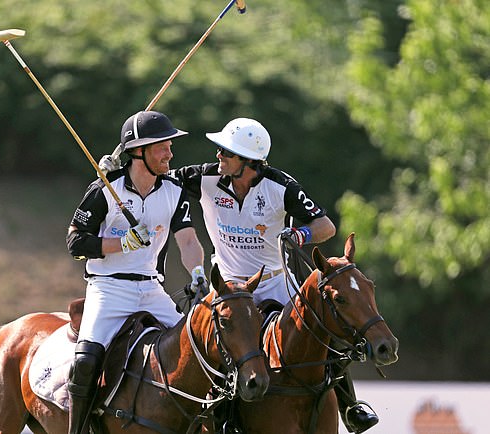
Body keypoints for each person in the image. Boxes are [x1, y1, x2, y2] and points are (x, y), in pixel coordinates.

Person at [99, 117, 377, 433]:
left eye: (226, 153)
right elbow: (153, 174)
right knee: (208, 347)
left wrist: (298, 235)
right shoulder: (205, 176)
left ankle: (350, 406)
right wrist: (117, 172)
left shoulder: (280, 186)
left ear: (248, 162)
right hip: (227, 286)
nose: (218, 157)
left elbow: (325, 226)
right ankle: (217, 418)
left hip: (274, 282)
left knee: (320, 332)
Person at [65, 110, 206, 434]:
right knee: (85, 362)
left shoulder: (174, 191)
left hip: (151, 289)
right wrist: (121, 243)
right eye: (162, 146)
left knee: (199, 346)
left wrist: (198, 271)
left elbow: (187, 240)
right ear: (138, 151)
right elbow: (75, 241)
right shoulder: (104, 189)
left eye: (170, 145)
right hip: (108, 289)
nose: (170, 153)